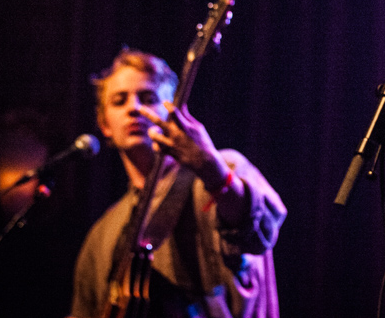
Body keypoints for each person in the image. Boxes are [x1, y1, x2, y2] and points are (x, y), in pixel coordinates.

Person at [71, 48, 286, 318]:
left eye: (147, 98)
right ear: (103, 124)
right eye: (119, 101)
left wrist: (210, 168)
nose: (134, 108)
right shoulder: (102, 233)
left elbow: (261, 229)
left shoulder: (223, 168)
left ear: (172, 111)